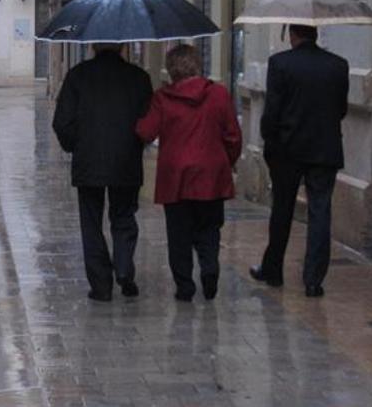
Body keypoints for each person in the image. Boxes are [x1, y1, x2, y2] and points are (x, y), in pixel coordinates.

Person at [135, 45, 241, 302]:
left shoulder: (163, 98)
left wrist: (138, 118)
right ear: (197, 64)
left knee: (178, 234)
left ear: (171, 70)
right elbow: (233, 136)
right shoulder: (218, 94)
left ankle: (184, 285)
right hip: (210, 174)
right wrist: (225, 161)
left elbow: (146, 133)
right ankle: (209, 268)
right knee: (209, 227)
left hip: (176, 177)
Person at [250, 24, 349, 298]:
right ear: (315, 35)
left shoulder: (280, 63)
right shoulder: (338, 65)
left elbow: (272, 111)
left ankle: (273, 270)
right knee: (320, 213)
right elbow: (340, 109)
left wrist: (269, 139)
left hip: (287, 149)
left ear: (293, 35)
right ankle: (313, 280)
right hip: (324, 149)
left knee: (282, 210)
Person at [52, 43, 153, 302]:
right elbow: (148, 123)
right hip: (126, 160)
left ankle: (101, 285)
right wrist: (134, 144)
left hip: (88, 160)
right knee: (124, 215)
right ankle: (123, 268)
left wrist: (77, 145)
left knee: (91, 222)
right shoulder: (139, 78)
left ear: (93, 46)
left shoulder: (78, 76)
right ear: (122, 46)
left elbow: (61, 122)